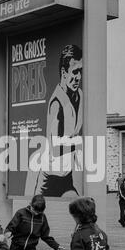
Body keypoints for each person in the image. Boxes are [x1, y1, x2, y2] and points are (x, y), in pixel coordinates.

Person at [25, 44, 83, 197]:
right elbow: (55, 147)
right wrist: (80, 142)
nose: (78, 77)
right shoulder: (56, 103)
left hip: (67, 176)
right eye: (75, 72)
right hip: (49, 179)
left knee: (82, 209)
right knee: (35, 212)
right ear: (64, 73)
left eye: (80, 72)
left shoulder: (80, 96)